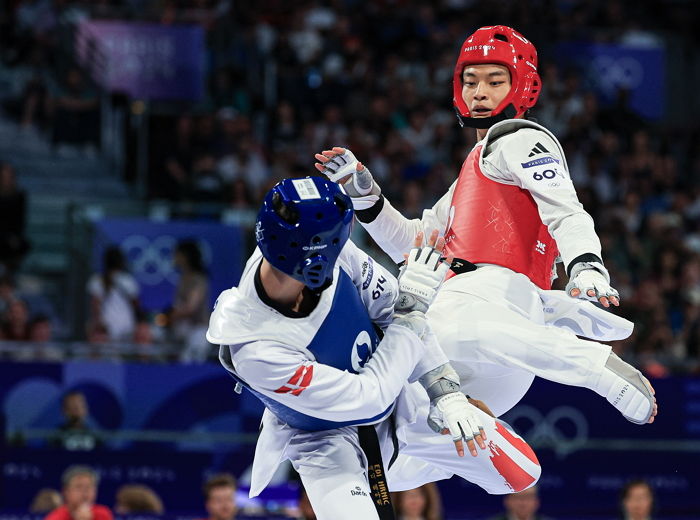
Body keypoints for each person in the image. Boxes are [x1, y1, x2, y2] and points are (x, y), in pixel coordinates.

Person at [315, 25, 657, 425]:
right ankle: (511, 466)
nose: (479, 92)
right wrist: (366, 197)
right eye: (469, 81)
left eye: (495, 81)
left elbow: (566, 209)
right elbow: (413, 247)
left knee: (432, 337)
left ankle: (591, 363)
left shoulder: (517, 136)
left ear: (523, 85)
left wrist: (586, 264)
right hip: (499, 349)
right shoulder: (471, 176)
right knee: (404, 440)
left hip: (488, 300)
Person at [207, 176, 541, 520]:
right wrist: (411, 312)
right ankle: (400, 465)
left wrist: (447, 393)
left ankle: (420, 460)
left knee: (521, 473)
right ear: (312, 257)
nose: (343, 248)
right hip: (326, 439)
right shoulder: (256, 350)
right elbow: (368, 396)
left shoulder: (324, 247)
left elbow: (391, 307)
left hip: (399, 395)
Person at [87, 246, 140, 343]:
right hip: (124, 326)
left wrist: (98, 322)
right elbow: (136, 305)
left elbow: (95, 305)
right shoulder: (128, 280)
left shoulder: (97, 280)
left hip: (108, 326)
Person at [170, 240, 211, 362]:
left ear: (185, 256)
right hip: (184, 331)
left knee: (188, 366)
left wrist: (168, 316)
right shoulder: (183, 278)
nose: (174, 258)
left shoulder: (198, 279)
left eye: (177, 254)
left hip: (198, 333)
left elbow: (191, 308)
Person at [45, 466, 113, 520]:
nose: (85, 491)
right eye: (78, 487)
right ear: (66, 491)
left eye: (89, 487)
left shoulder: (103, 514)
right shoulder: (55, 517)